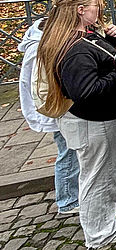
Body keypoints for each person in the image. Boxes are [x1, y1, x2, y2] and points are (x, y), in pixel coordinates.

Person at [37, 0, 116, 248]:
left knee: (110, 166)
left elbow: (102, 58)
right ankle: (100, 232)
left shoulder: (82, 35)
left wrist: (114, 41)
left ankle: (113, 200)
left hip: (100, 118)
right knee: (96, 175)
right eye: (97, 6)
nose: (101, 10)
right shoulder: (75, 49)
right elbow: (87, 91)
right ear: (81, 10)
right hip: (92, 121)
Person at [18, 18, 79, 216]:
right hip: (59, 109)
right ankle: (68, 200)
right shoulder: (39, 48)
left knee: (74, 152)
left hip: (63, 107)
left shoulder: (44, 42)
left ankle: (75, 195)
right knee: (68, 153)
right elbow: (33, 85)